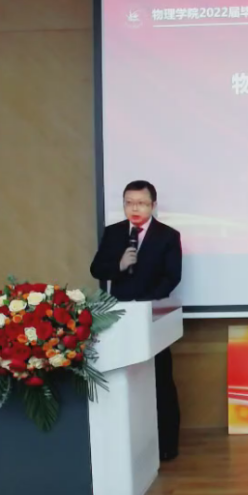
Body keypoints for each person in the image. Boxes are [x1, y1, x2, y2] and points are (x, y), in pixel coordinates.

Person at [90, 180, 182, 461]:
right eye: (129, 203)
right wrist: (119, 265)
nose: (135, 208)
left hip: (151, 316)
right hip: (119, 318)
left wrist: (145, 303)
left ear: (153, 205)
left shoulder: (168, 236)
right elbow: (97, 269)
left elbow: (172, 276)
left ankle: (167, 444)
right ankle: (127, 443)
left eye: (141, 203)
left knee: (160, 380)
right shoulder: (114, 233)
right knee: (123, 379)